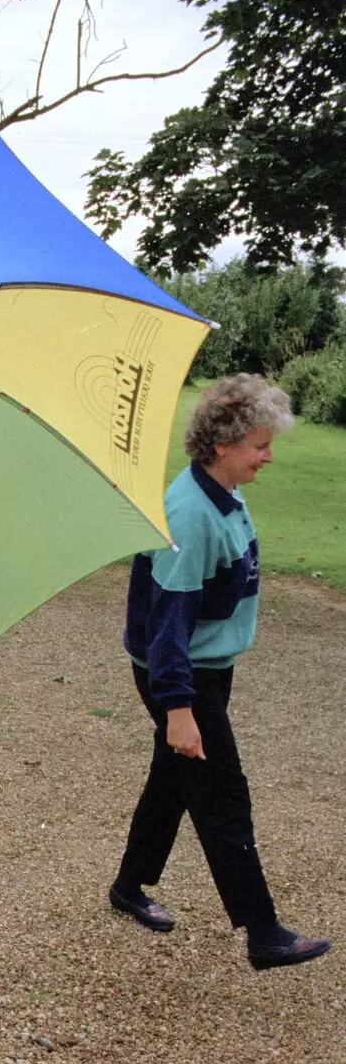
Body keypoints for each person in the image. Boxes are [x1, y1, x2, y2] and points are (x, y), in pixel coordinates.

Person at [109, 373, 331, 973]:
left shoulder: (223, 492)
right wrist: (178, 709)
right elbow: (167, 628)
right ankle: (263, 931)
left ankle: (129, 887)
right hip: (181, 675)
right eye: (260, 445)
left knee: (173, 782)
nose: (268, 456)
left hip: (206, 667)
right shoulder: (190, 515)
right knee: (221, 792)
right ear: (222, 443)